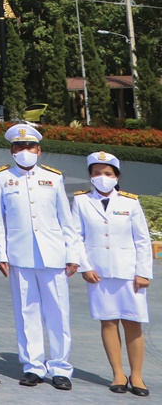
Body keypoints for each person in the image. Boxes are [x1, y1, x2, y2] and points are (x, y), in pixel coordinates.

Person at [0, 123, 83, 390]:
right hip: (19, 255)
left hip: (53, 254)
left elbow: (66, 220)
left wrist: (73, 253)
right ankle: (33, 365)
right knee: (26, 311)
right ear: (11, 151)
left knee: (58, 312)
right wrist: (1, 254)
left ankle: (60, 367)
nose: (24, 151)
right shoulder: (2, 178)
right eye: (19, 147)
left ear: (39, 150)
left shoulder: (53, 178)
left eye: (29, 146)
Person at [73, 151, 151, 396]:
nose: (102, 177)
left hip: (129, 272)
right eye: (96, 173)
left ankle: (136, 376)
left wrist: (143, 272)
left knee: (133, 322)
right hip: (99, 272)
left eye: (107, 173)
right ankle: (118, 373)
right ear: (91, 177)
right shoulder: (82, 201)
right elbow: (75, 236)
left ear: (116, 177)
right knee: (108, 322)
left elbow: (142, 239)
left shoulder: (130, 202)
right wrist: (84, 267)